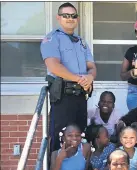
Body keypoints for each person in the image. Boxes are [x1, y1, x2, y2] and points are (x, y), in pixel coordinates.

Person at [41, 2, 97, 152]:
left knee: (80, 137)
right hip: (63, 97)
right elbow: (54, 66)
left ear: (77, 19)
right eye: (66, 15)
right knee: (61, 138)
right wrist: (79, 78)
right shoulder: (52, 39)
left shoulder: (82, 42)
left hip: (80, 97)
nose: (70, 18)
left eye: (73, 16)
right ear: (58, 18)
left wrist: (90, 78)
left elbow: (91, 67)